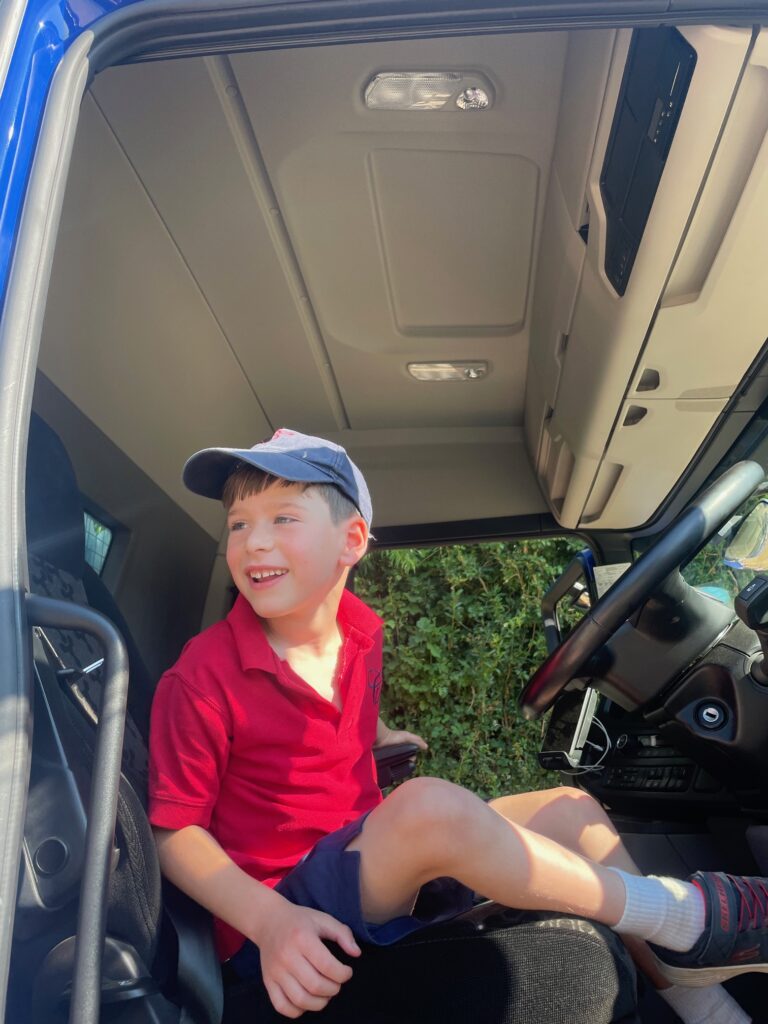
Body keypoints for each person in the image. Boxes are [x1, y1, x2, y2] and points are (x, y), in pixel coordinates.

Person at [149, 428, 765, 1024]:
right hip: (284, 912)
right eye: (238, 524)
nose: (253, 541)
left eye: (282, 518)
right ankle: (680, 916)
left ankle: (705, 1010)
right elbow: (173, 835)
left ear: (351, 541)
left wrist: (379, 734)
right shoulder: (201, 678)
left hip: (359, 854)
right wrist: (268, 922)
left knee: (569, 810)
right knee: (429, 809)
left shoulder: (359, 633)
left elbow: (340, 712)